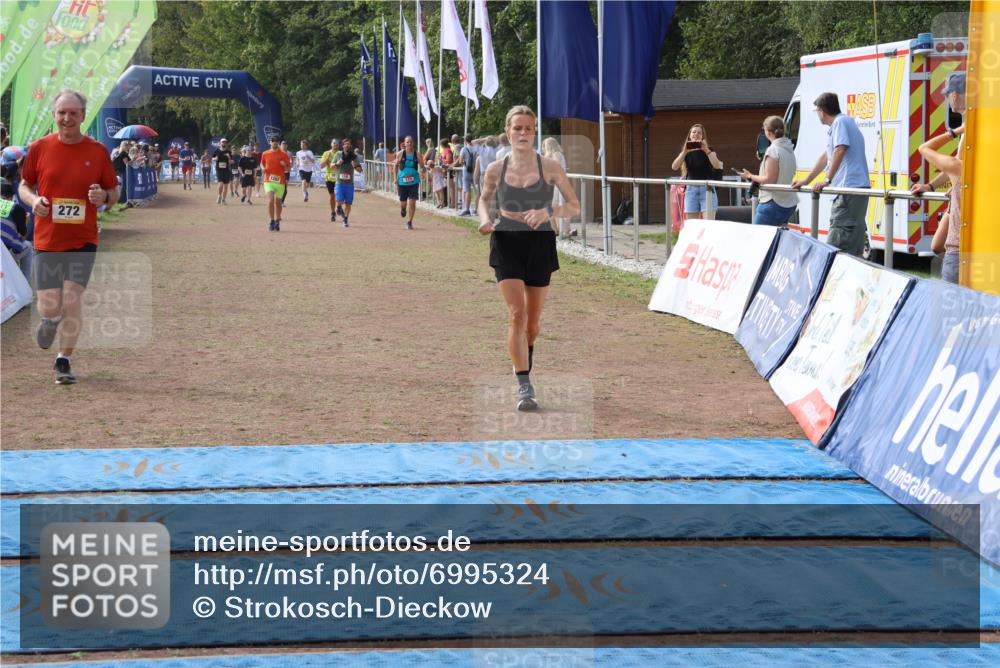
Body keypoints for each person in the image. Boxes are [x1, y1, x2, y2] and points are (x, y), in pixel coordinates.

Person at [478, 106, 580, 412]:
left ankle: (525, 350)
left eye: (529, 128)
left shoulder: (549, 166)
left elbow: (573, 205)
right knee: (516, 314)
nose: (523, 133)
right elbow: (484, 198)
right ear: (507, 131)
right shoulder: (496, 168)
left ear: (534, 132)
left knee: (532, 324)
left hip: (540, 243)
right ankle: (524, 385)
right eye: (518, 128)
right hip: (507, 239)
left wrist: (549, 211)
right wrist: (484, 219)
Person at [18, 90, 119, 384]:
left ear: (83, 116)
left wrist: (104, 196)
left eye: (74, 113)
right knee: (50, 305)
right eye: (62, 113)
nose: (67, 118)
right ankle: (50, 320)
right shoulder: (39, 148)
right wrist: (33, 200)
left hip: (83, 239)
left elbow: (114, 193)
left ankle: (64, 360)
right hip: (47, 240)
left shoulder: (98, 151)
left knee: (73, 298)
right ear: (54, 115)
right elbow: (25, 184)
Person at [791, 92, 872, 256]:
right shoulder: (842, 122)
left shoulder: (840, 122)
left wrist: (827, 180)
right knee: (849, 241)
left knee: (838, 245)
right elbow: (826, 156)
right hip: (851, 189)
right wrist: (806, 180)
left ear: (822, 111)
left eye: (817, 111)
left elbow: (840, 149)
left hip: (848, 189)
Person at [740, 116, 797, 226]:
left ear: (769, 132)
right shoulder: (790, 148)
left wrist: (750, 176)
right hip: (788, 203)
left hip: (772, 202)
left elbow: (769, 179)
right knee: (778, 240)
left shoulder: (772, 150)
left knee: (758, 239)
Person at [671, 124, 723, 220]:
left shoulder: (710, 150)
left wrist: (706, 149)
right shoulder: (686, 152)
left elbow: (717, 165)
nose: (696, 134)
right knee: (692, 225)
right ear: (690, 135)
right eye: (694, 132)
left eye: (699, 132)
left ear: (703, 136)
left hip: (707, 189)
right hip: (691, 189)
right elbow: (674, 166)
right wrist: (685, 151)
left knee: (709, 224)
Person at [541, 137, 575, 238]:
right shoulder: (555, 154)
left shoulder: (556, 154)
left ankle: (564, 230)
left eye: (544, 146)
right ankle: (556, 229)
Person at [330, 138, 363, 228]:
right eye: (345, 144)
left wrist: (355, 166)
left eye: (349, 144)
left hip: (349, 183)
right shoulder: (338, 154)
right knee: (339, 200)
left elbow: (360, 170)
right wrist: (337, 163)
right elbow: (331, 165)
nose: (347, 146)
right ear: (343, 145)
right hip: (340, 182)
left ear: (350, 146)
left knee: (348, 203)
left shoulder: (354, 156)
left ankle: (346, 220)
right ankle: (339, 207)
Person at [260, 136, 291, 231]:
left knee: (278, 203)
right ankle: (271, 221)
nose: (275, 143)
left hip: (280, 182)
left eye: (277, 141)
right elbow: (262, 163)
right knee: (270, 200)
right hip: (268, 181)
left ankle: (277, 220)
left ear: (278, 143)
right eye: (273, 141)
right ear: (270, 142)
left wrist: (284, 165)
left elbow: (288, 168)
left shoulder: (284, 154)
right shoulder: (265, 153)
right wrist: (263, 168)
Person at [396, 135, 425, 230]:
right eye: (407, 142)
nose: (409, 144)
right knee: (403, 203)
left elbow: (422, 167)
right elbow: (395, 166)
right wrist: (395, 178)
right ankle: (403, 209)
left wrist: (424, 170)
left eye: (410, 142)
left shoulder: (417, 154)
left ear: (413, 143)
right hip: (402, 181)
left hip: (414, 181)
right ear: (404, 143)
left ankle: (409, 222)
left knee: (412, 202)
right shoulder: (400, 154)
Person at [458, 133, 478, 216]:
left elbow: (460, 161)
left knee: (467, 190)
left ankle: (467, 209)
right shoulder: (476, 149)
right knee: (477, 191)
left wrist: (465, 162)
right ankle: (476, 209)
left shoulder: (464, 149)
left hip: (466, 171)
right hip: (476, 171)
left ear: (465, 140)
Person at [213, 138, 233, 204]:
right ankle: (219, 196)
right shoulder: (217, 151)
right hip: (219, 170)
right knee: (221, 184)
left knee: (226, 186)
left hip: (226, 170)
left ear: (226, 144)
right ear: (220, 143)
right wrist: (215, 158)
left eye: (225, 142)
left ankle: (223, 199)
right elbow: (212, 158)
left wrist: (229, 157)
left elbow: (231, 162)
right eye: (223, 142)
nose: (224, 144)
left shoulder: (229, 152)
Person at [279, 140, 293, 205]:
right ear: (280, 146)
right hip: (279, 172)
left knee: (285, 187)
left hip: (286, 172)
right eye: (282, 144)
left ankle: (282, 201)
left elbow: (291, 161)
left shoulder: (289, 153)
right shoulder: (278, 152)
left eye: (285, 144)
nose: (284, 146)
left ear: (287, 146)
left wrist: (290, 167)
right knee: (279, 186)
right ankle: (278, 200)